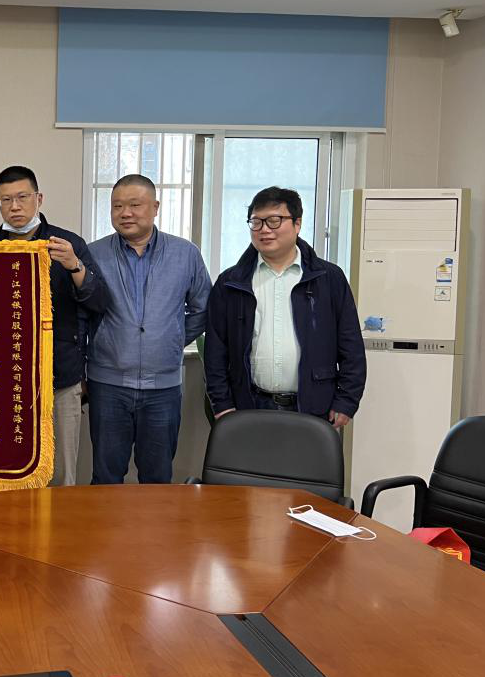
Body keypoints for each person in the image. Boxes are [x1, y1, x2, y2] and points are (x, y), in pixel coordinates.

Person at [0, 165, 109, 486]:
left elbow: (99, 302)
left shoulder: (67, 243)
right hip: (6, 381)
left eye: (22, 197)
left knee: (62, 473)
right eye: (6, 200)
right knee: (9, 472)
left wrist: (74, 265)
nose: (15, 206)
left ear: (39, 199)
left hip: (61, 376)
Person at [204, 186, 366, 427]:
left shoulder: (329, 278)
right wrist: (222, 403)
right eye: (256, 222)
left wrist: (346, 401)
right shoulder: (231, 282)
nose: (264, 229)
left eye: (274, 221)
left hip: (313, 407)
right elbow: (215, 350)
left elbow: (351, 345)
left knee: (307, 456)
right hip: (249, 406)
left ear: (297, 223)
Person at [86, 174, 210, 484]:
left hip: (163, 388)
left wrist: (172, 338)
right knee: (106, 477)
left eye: (134, 205)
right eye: (117, 206)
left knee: (157, 479)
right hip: (108, 384)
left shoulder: (185, 253)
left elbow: (202, 308)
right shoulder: (93, 254)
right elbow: (83, 312)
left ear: (155, 207)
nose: (125, 213)